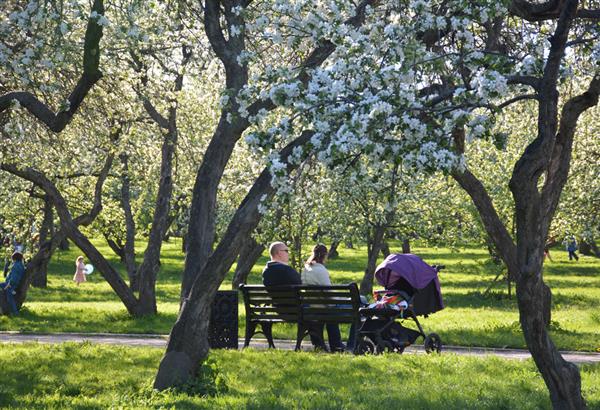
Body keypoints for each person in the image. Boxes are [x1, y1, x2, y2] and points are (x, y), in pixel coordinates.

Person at [262, 242, 327, 351]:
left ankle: (318, 344)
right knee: (320, 310)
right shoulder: (287, 271)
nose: (288, 253)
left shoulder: (266, 271)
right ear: (278, 253)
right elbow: (300, 284)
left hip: (279, 310)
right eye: (286, 251)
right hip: (295, 310)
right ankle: (321, 344)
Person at [301, 244, 346, 352]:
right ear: (325, 255)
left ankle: (322, 344)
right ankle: (344, 344)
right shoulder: (321, 270)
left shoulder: (306, 269)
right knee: (358, 306)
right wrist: (340, 300)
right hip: (324, 307)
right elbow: (329, 293)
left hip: (312, 306)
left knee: (331, 312)